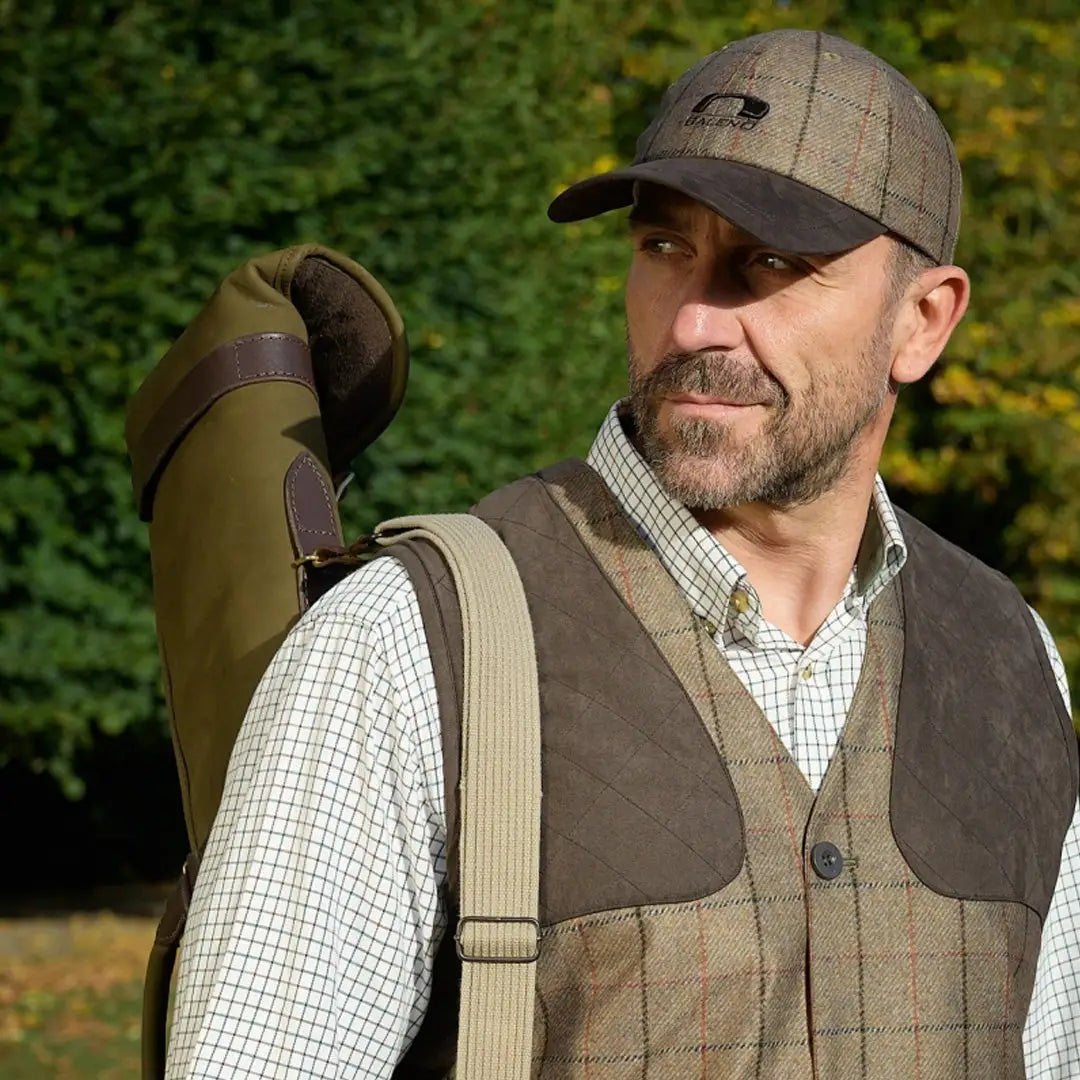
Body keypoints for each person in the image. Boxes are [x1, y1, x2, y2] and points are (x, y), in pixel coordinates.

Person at [165, 28, 1080, 1080]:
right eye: (662, 247)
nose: (694, 317)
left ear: (923, 322)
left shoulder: (1013, 661)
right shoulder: (409, 644)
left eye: (769, 263)